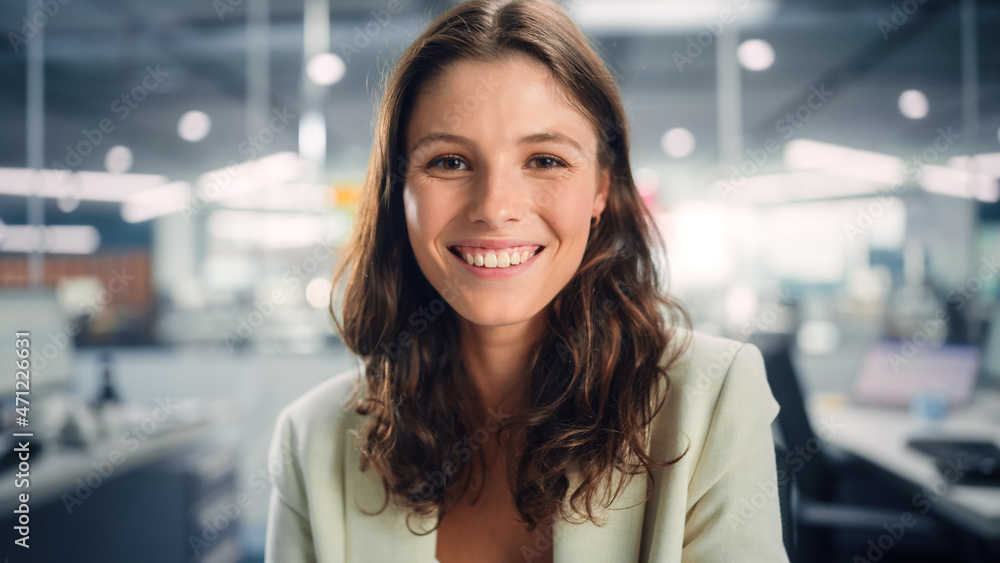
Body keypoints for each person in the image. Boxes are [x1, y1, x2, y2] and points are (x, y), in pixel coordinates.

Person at [264, 0, 788, 561]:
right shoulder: (311, 439)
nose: (494, 208)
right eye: (449, 162)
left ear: (600, 189)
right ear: (400, 191)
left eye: (544, 160)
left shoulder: (712, 398)